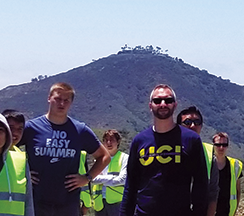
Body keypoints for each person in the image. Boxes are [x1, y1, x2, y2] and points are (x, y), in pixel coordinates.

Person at [20, 82, 108, 216]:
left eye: (66, 100)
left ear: (71, 103)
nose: (61, 104)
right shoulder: (31, 128)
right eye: (58, 99)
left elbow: (104, 156)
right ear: (49, 98)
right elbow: (7, 149)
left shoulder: (80, 130)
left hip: (68, 203)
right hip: (36, 201)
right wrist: (22, 174)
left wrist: (87, 178)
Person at [119, 84, 208, 216]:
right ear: (150, 105)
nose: (163, 104)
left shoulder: (191, 140)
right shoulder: (139, 141)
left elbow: (200, 185)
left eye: (168, 100)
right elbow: (130, 186)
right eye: (157, 100)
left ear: (175, 104)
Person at [175, 107, 219, 215]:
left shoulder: (209, 155)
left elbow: (213, 193)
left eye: (197, 122)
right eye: (187, 122)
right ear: (179, 126)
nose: (193, 126)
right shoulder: (169, 151)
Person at [85, 130, 126, 216]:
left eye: (112, 140)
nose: (109, 143)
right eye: (106, 140)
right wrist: (112, 177)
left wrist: (102, 179)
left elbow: (122, 180)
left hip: (116, 202)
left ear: (118, 142)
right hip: (99, 202)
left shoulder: (124, 158)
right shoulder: (99, 159)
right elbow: (92, 179)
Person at [209, 133, 241, 216]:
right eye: (218, 145)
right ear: (213, 145)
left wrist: (234, 211)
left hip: (227, 212)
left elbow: (238, 191)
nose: (221, 148)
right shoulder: (207, 164)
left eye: (224, 145)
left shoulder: (235, 166)